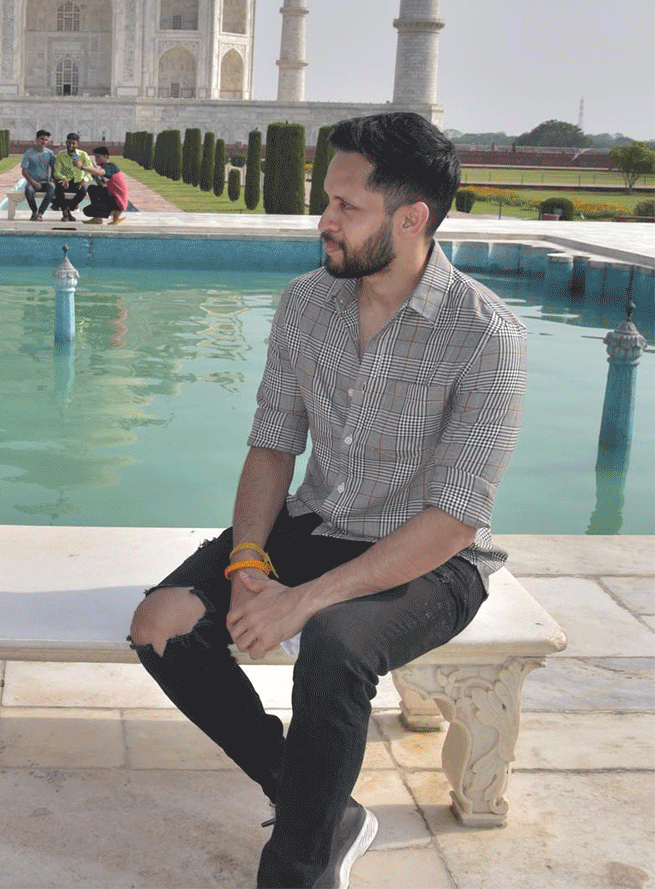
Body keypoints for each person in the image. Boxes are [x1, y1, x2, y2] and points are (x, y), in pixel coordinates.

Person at [128, 112, 526, 889]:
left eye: (347, 206)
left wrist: (300, 602)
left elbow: (454, 517)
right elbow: (274, 444)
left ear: (412, 218)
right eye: (328, 201)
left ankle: (298, 868)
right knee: (162, 625)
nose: (325, 221)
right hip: (315, 523)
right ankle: (318, 803)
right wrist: (249, 562)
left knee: (337, 648)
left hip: (432, 558)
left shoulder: (485, 336)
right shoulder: (308, 303)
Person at [51, 132, 95, 221]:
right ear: (66, 142)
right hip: (65, 181)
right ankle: (66, 213)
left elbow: (90, 171)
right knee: (59, 189)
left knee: (83, 191)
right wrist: (63, 177)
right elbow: (57, 171)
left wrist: (85, 180)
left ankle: (66, 210)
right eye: (69, 143)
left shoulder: (83, 155)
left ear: (78, 144)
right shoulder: (61, 154)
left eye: (73, 143)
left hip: (78, 182)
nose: (71, 145)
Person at [82, 146, 128, 225]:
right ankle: (99, 218)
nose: (96, 159)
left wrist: (82, 167)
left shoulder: (110, 166)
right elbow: (101, 184)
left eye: (98, 157)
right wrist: (94, 174)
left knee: (88, 210)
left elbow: (100, 172)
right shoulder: (107, 168)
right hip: (115, 199)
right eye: (95, 157)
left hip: (118, 203)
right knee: (92, 188)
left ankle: (115, 213)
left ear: (106, 157)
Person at [20, 129, 56, 220]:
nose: (44, 141)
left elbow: (54, 168)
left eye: (46, 140)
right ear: (36, 139)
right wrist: (33, 182)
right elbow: (24, 171)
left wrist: (52, 177)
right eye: (42, 139)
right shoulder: (29, 153)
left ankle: (40, 213)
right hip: (32, 182)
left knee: (52, 186)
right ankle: (34, 212)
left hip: (44, 182)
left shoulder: (49, 153)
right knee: (28, 190)